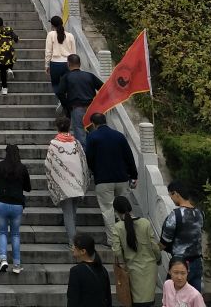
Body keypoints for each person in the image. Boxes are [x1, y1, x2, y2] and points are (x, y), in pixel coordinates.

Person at [83, 112, 138, 244]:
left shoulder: (92, 137)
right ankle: (129, 237)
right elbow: (129, 156)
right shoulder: (119, 136)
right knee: (124, 208)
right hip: (122, 177)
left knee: (108, 209)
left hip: (103, 179)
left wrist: (92, 170)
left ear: (94, 124)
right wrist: (134, 175)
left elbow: (88, 157)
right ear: (105, 121)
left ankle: (113, 240)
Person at [44, 115, 89, 247]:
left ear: (57, 127)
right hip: (77, 182)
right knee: (73, 212)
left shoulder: (54, 144)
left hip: (63, 184)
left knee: (68, 213)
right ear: (69, 126)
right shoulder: (76, 143)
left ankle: (73, 242)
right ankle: (73, 237)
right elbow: (83, 161)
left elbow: (48, 164)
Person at [111, 196, 159, 307]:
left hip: (131, 269)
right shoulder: (145, 223)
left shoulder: (117, 227)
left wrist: (122, 264)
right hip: (149, 269)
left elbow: (117, 251)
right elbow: (154, 246)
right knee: (148, 301)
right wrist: (159, 259)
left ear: (116, 211)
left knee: (133, 302)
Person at [0, 142, 32, 274]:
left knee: (2, 232)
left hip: (1, 203)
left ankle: (3, 259)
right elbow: (28, 188)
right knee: (15, 234)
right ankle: (16, 264)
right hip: (17, 204)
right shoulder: (22, 168)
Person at [159, 182, 205, 293]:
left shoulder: (175, 215)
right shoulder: (200, 213)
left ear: (176, 194)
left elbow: (164, 242)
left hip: (180, 265)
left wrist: (154, 249)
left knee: (173, 299)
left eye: (171, 195)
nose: (171, 198)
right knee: (194, 300)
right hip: (197, 262)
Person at [57, 54, 104, 141]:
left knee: (80, 135)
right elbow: (103, 88)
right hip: (91, 109)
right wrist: (98, 103)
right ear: (80, 63)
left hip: (77, 108)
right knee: (94, 134)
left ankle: (84, 154)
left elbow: (60, 93)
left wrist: (66, 105)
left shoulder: (66, 77)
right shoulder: (89, 75)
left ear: (68, 64)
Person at [66, 233, 111, 307]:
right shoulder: (103, 270)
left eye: (75, 246)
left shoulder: (76, 271)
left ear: (83, 251)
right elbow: (108, 297)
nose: (73, 248)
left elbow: (73, 299)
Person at [45, 16, 77, 105]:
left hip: (55, 64)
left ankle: (61, 100)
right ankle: (66, 99)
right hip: (68, 64)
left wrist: (47, 65)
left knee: (55, 84)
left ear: (52, 25)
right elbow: (74, 53)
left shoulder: (51, 34)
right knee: (68, 84)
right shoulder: (70, 35)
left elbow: (48, 51)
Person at [0, 15, 19, 95]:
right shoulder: (9, 29)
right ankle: (10, 69)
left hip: (1, 54)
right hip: (11, 52)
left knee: (2, 71)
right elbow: (16, 39)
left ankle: (4, 88)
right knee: (10, 63)